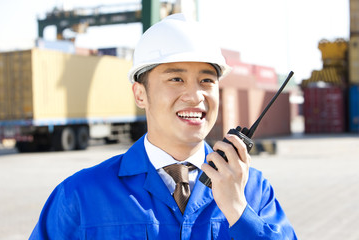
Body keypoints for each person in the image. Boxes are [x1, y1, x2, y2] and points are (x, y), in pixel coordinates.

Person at [29, 13, 297, 239]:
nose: (195, 96)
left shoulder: (254, 191)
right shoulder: (81, 195)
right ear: (140, 94)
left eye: (206, 81)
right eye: (176, 79)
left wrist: (239, 211)